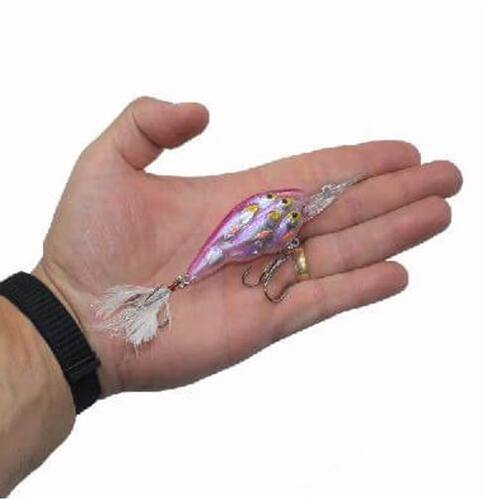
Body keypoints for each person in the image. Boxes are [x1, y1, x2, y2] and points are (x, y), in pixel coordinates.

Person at [0, 97, 462, 495]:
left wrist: (53, 329)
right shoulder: (267, 222)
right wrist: (64, 306)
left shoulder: (285, 218)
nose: (296, 214)